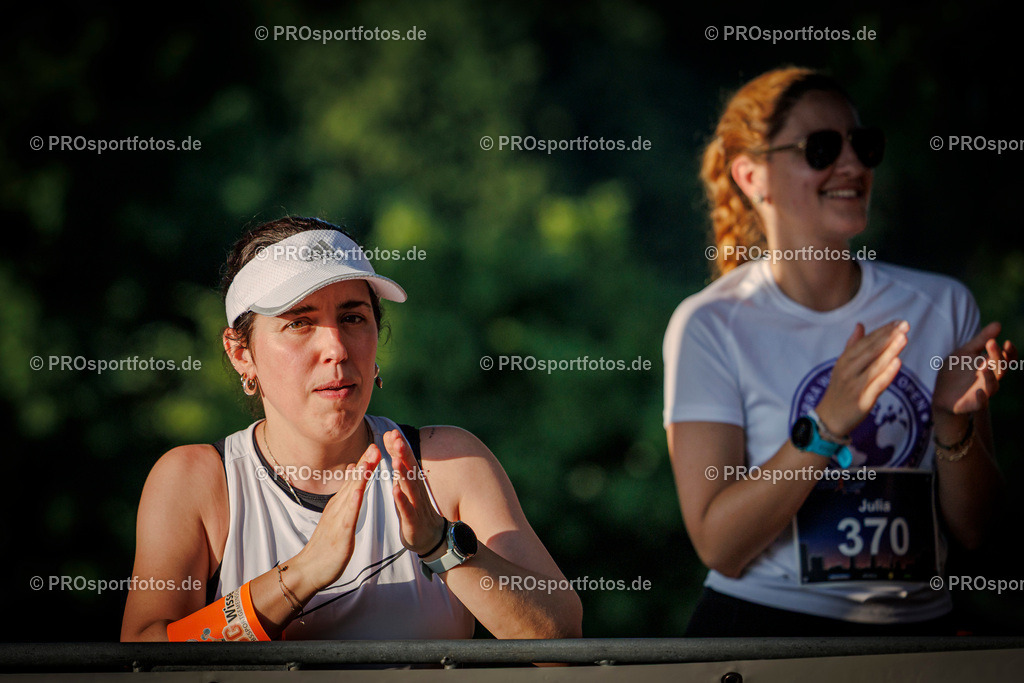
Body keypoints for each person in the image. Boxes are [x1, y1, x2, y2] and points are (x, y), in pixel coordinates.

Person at [663, 67, 1015, 636]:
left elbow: (979, 533)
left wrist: (952, 422)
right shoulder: (709, 324)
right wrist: (826, 424)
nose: (852, 165)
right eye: (822, 148)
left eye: (863, 145)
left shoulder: (942, 306)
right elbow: (719, 545)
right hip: (765, 637)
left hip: (920, 640)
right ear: (753, 177)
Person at [121, 216, 582, 641]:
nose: (337, 347)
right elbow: (143, 659)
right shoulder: (196, 480)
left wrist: (441, 544)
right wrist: (300, 576)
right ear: (242, 353)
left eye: (353, 318)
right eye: (299, 323)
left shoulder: (447, 464)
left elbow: (560, 639)